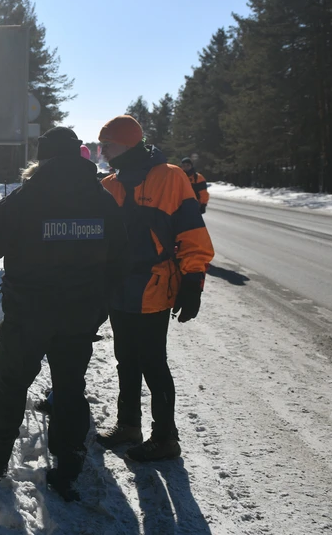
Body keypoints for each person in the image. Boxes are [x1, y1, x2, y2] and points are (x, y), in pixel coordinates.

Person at [0, 127, 129, 501]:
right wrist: (100, 302)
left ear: (44, 158)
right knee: (70, 387)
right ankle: (69, 464)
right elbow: (122, 256)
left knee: (10, 381)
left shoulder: (27, 196)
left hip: (29, 314)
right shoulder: (100, 199)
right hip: (80, 316)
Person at [95, 115, 214, 462]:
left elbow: (192, 230)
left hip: (154, 284)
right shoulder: (110, 185)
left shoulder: (170, 176)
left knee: (152, 362)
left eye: (108, 145)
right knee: (125, 360)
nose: (103, 151)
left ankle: (166, 438)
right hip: (119, 287)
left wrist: (194, 279)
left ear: (128, 143)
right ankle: (129, 425)